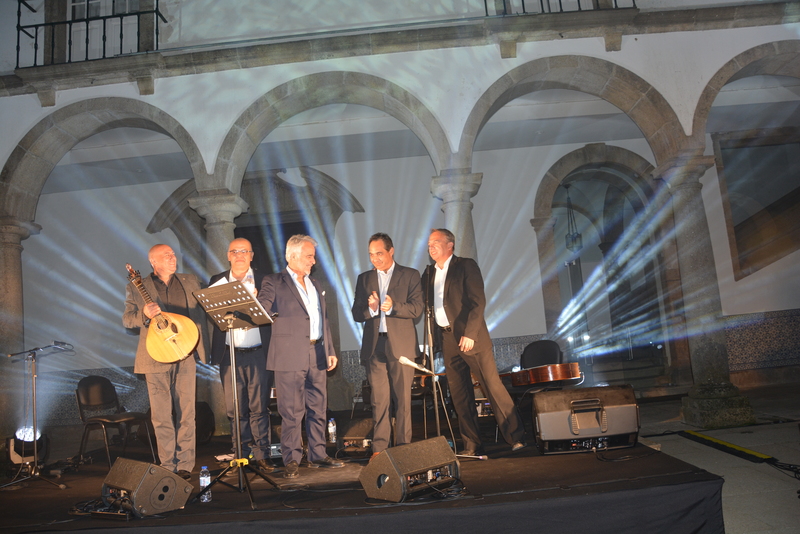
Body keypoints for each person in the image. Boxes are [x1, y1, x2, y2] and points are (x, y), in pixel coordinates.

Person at [421, 229, 526, 456]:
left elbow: (478, 302)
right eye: (429, 244)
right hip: (446, 338)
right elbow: (420, 303)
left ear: (450, 245)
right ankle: (472, 444)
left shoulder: (465, 266)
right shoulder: (428, 273)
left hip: (472, 336)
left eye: (435, 242)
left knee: (491, 386)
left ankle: (515, 437)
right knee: (459, 393)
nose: (431, 247)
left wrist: (469, 333)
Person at [257, 235, 344, 479]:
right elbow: (263, 308)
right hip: (288, 355)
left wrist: (330, 350)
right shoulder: (273, 281)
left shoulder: (315, 284)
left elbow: (322, 320)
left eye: (313, 256)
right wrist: (255, 304)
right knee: (291, 411)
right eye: (309, 256)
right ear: (292, 256)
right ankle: (292, 459)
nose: (313, 261)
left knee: (318, 407)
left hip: (317, 351)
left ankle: (318, 454)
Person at [122, 244, 207, 480]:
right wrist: (144, 316)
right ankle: (167, 464)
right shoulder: (137, 286)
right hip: (155, 355)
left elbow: (202, 312)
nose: (172, 258)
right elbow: (127, 320)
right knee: (161, 415)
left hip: (185, 352)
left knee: (187, 412)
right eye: (166, 255)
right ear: (153, 262)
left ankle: (186, 464)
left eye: (173, 254)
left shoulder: (190, 281)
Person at [352, 233, 423, 458]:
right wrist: (371, 309)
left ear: (391, 251)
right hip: (374, 346)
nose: (375, 259)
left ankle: (403, 450)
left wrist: (393, 307)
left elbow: (417, 309)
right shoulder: (364, 278)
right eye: (371, 255)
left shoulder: (410, 274)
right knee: (378, 400)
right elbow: (356, 312)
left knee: (402, 400)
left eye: (379, 254)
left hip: (401, 346)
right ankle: (379, 450)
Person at [209, 238, 274, 476]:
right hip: (230, 355)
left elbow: (274, 312)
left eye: (244, 251)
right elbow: (213, 317)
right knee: (235, 409)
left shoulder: (265, 280)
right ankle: (240, 455)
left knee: (259, 408)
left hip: (258, 352)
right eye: (234, 251)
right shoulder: (217, 282)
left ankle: (263, 455)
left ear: (252, 255)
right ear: (228, 255)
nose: (239, 255)